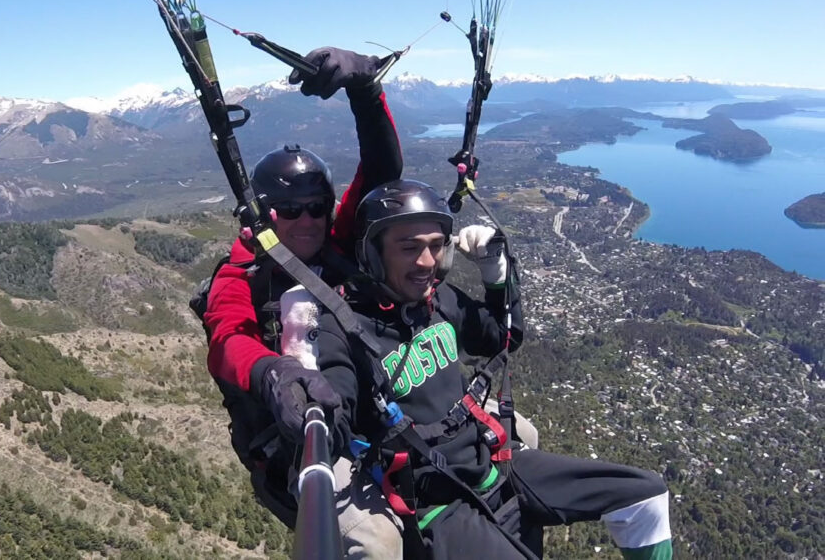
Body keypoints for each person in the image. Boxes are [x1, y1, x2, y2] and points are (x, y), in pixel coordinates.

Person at [309, 179, 673, 559]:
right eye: (409, 248)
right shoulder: (344, 327)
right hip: (436, 501)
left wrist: (496, 277)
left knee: (645, 496)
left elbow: (504, 337)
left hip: (495, 462)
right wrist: (309, 386)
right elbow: (337, 400)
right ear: (373, 254)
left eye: (436, 247)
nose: (428, 262)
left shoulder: (437, 301)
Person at [202, 46, 404, 532]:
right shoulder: (243, 272)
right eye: (291, 210)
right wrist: (270, 371)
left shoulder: (336, 244)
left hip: (375, 417)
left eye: (318, 206)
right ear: (266, 215)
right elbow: (227, 338)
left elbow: (381, 174)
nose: (309, 220)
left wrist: (365, 91)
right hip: (308, 437)